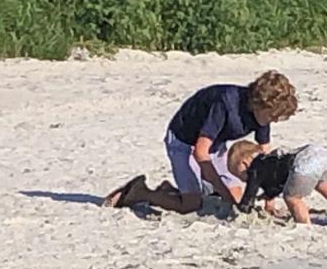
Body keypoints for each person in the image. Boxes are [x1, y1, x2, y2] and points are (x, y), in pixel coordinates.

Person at [102, 71, 298, 213]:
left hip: (215, 144)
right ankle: (141, 192)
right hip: (184, 142)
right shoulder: (225, 104)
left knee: (237, 195)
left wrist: (269, 196)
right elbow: (200, 153)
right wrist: (223, 193)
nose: (274, 120)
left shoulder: (261, 116)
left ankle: (170, 190)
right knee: (191, 205)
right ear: (259, 104)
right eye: (273, 116)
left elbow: (264, 157)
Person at [227, 140, 327, 225]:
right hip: (318, 153)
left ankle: (303, 223)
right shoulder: (268, 161)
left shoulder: (254, 169)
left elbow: (250, 194)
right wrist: (269, 204)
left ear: (244, 164)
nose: (243, 180)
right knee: (321, 182)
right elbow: (272, 185)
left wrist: (243, 209)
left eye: (240, 175)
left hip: (303, 162)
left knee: (292, 197)